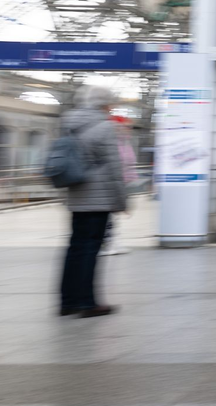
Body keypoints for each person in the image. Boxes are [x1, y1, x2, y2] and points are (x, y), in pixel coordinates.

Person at [59, 85, 128, 317]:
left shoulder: (69, 123)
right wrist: (121, 201)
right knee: (90, 250)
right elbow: (114, 168)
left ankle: (67, 302)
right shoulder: (105, 126)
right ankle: (88, 303)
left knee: (75, 248)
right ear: (104, 104)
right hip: (99, 198)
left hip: (76, 193)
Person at [100, 115, 137, 257]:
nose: (128, 129)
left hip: (121, 182)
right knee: (109, 214)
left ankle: (113, 241)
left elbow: (128, 163)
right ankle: (108, 243)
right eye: (125, 126)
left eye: (129, 127)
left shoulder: (124, 142)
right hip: (111, 182)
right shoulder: (112, 142)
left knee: (115, 214)